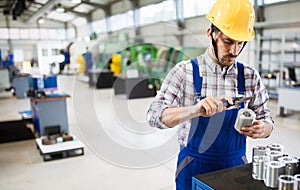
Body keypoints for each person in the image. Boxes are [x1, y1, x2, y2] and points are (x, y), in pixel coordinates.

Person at [146, 0, 274, 189]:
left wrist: (264, 128)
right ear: (210, 34)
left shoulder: (249, 76)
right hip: (193, 166)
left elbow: (267, 119)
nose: (234, 51)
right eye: (228, 41)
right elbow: (154, 116)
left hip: (236, 167)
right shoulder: (184, 72)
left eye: (240, 43)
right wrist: (194, 109)